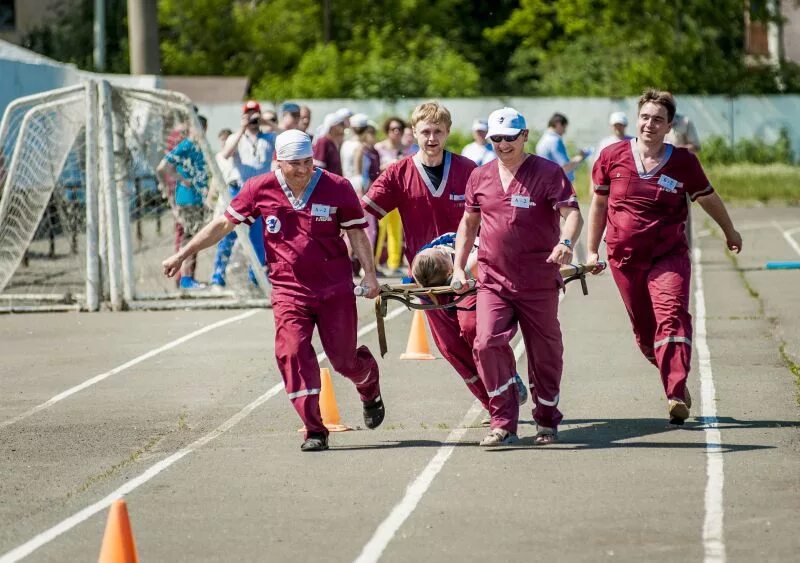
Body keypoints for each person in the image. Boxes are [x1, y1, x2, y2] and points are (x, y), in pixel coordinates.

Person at [162, 130, 385, 452]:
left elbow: (358, 235)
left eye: (308, 162)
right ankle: (314, 429)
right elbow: (223, 224)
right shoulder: (259, 188)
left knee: (344, 360)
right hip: (288, 290)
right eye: (295, 163)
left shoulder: (337, 187)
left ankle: (369, 387)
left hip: (334, 288)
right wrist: (182, 255)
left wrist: (371, 275)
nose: (303, 169)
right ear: (277, 162)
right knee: (292, 353)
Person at [586, 89, 742, 424]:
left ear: (670, 125)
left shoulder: (684, 161)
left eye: (658, 119)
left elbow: (708, 198)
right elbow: (598, 205)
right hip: (624, 259)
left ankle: (674, 392)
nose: (650, 124)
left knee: (671, 316)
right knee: (646, 335)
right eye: (645, 117)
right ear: (636, 119)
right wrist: (590, 249)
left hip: (668, 256)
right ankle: (674, 375)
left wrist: (730, 231)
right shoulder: (611, 156)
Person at [453, 107, 583, 447]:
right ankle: (503, 420)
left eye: (510, 138)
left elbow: (572, 214)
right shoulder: (480, 177)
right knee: (485, 342)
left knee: (545, 353)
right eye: (496, 138)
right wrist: (457, 266)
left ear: (524, 136)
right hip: (493, 280)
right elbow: (468, 225)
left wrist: (566, 243)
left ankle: (546, 420)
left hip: (539, 281)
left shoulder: (548, 172)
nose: (503, 144)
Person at [362, 102, 499, 415]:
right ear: (414, 133)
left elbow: (496, 213)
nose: (432, 137)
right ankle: (492, 404)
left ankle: (504, 384)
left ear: (448, 132)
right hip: (426, 279)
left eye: (438, 131)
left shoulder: (469, 171)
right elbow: (360, 214)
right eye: (425, 131)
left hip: (469, 269)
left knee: (473, 329)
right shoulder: (397, 174)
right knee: (450, 346)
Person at [211, 100, 277, 288]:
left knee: (259, 237)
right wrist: (242, 128)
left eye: (255, 114)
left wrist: (267, 122)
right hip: (239, 190)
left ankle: (255, 278)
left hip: (261, 192)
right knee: (228, 233)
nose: (253, 119)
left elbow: (285, 136)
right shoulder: (236, 137)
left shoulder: (269, 137)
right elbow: (226, 154)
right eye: (249, 114)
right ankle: (218, 276)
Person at [156, 115, 210, 290]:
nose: (202, 132)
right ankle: (186, 279)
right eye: (199, 128)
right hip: (187, 200)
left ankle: (188, 278)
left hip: (198, 199)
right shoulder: (186, 145)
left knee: (196, 237)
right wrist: (181, 179)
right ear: (191, 128)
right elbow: (162, 167)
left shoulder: (201, 147)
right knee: (190, 237)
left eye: (204, 128)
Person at [373, 117, 407, 276]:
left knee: (396, 229)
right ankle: (374, 262)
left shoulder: (408, 148)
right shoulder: (379, 148)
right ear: (387, 131)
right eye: (393, 129)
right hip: (383, 192)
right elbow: (373, 168)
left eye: (399, 128)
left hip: (400, 193)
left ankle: (393, 263)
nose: (397, 132)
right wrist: (388, 165)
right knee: (380, 229)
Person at [535, 112, 589, 182]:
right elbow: (565, 167)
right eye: (564, 127)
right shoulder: (555, 141)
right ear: (558, 124)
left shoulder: (542, 140)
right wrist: (581, 157)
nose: (564, 131)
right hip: (558, 186)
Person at [312, 112, 345, 176]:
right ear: (333, 126)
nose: (343, 127)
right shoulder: (323, 142)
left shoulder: (332, 142)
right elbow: (318, 168)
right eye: (341, 124)